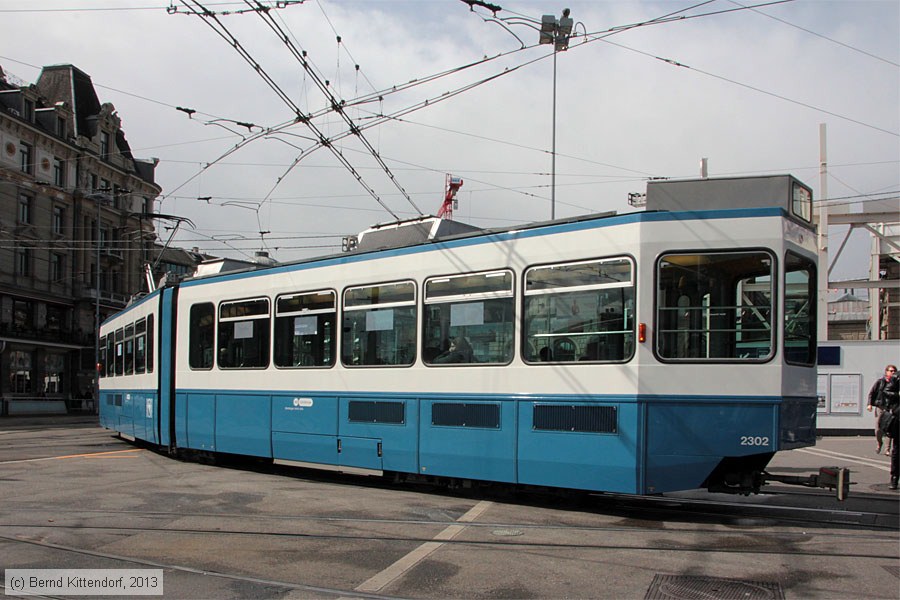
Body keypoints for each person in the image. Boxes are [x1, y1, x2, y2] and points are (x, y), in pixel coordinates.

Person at [867, 364, 899, 456]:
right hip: (880, 407)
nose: (892, 372)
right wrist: (869, 404)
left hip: (890, 408)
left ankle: (887, 449)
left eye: (894, 371)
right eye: (890, 371)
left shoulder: (896, 383)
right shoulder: (880, 382)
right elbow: (871, 393)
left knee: (889, 429)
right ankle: (879, 442)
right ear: (886, 372)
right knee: (878, 429)